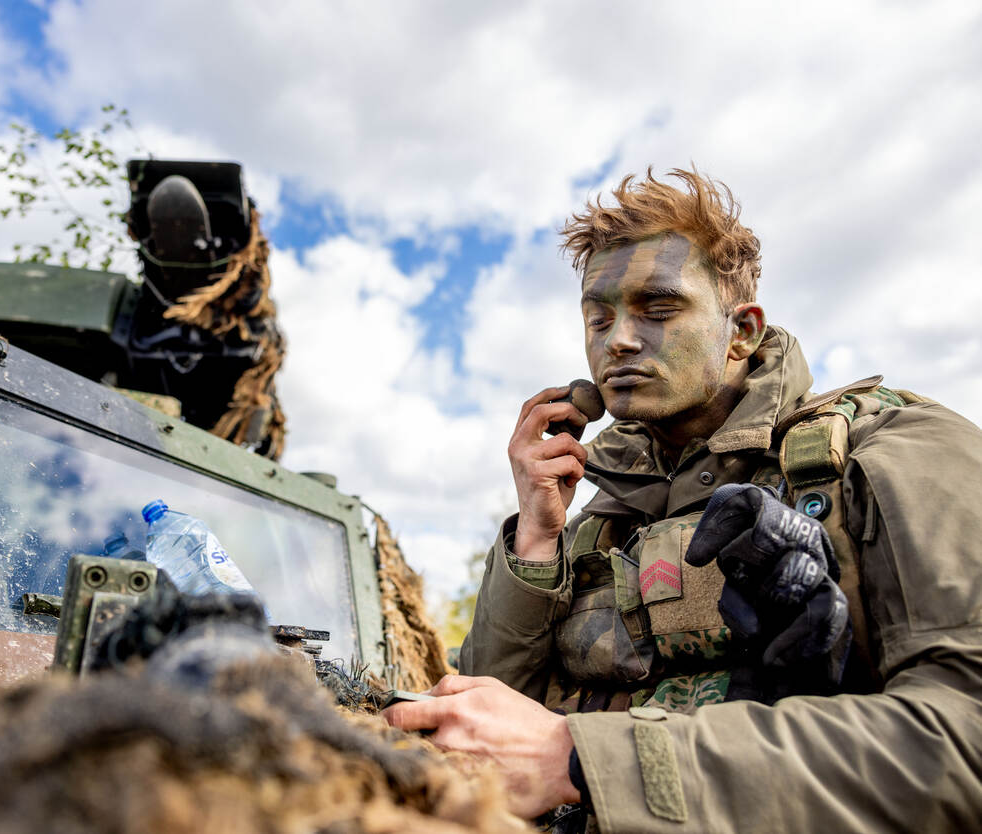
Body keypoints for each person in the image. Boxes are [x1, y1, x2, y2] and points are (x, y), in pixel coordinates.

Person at [383, 169, 982, 831]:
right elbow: (490, 726)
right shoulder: (599, 515)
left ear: (742, 331)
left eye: (659, 309)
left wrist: (582, 760)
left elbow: (964, 744)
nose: (618, 340)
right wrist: (536, 534)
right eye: (598, 318)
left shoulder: (900, 451)